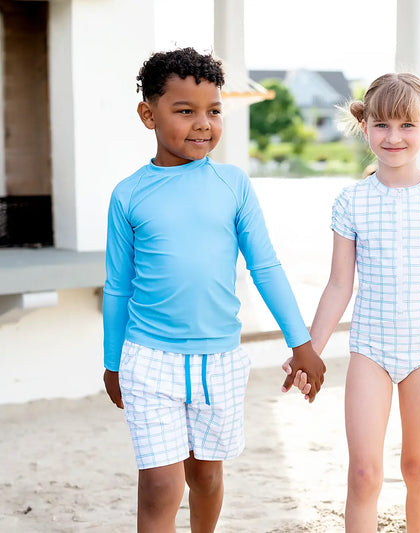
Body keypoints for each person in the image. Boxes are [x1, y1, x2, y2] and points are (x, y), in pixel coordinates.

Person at [102, 47, 325, 533]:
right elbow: (117, 288)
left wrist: (301, 342)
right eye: (185, 111)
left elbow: (265, 265)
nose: (203, 124)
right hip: (148, 359)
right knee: (162, 484)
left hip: (220, 360)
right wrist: (113, 360)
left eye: (214, 111)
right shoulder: (128, 194)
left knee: (205, 475)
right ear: (148, 114)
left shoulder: (234, 185)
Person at [287, 73, 420, 532]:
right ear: (364, 126)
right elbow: (337, 286)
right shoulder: (351, 201)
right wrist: (306, 349)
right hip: (370, 349)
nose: (393, 137)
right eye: (381, 124)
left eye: (406, 125)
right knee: (365, 473)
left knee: (418, 467)